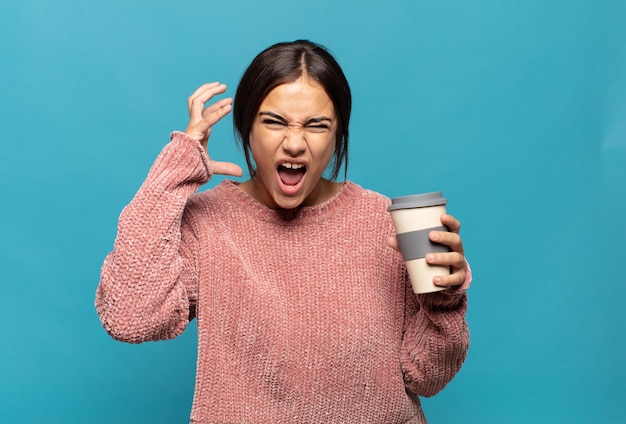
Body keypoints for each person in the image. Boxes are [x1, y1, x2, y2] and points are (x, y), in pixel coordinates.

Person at [95, 39, 471, 423]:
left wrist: (444, 300)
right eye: (274, 122)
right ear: (246, 127)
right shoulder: (207, 222)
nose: (294, 144)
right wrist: (179, 166)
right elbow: (131, 317)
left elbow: (428, 377)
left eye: (317, 126)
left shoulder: (385, 223)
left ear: (338, 133)